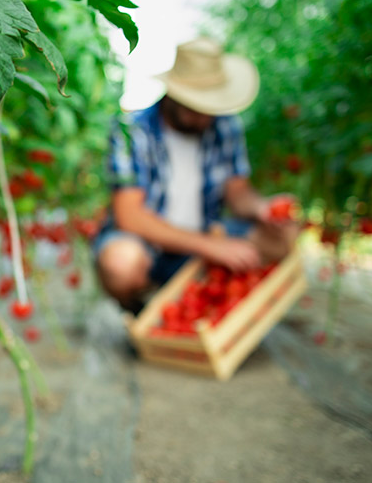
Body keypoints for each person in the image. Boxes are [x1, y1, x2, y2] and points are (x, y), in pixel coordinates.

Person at [94, 37, 298, 313]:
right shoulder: (131, 130)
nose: (205, 117)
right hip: (150, 247)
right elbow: (129, 216)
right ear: (174, 95)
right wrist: (211, 247)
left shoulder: (225, 126)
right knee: (120, 263)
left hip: (205, 238)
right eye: (196, 107)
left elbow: (238, 192)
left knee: (284, 237)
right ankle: (141, 311)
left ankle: (211, 302)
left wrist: (262, 208)